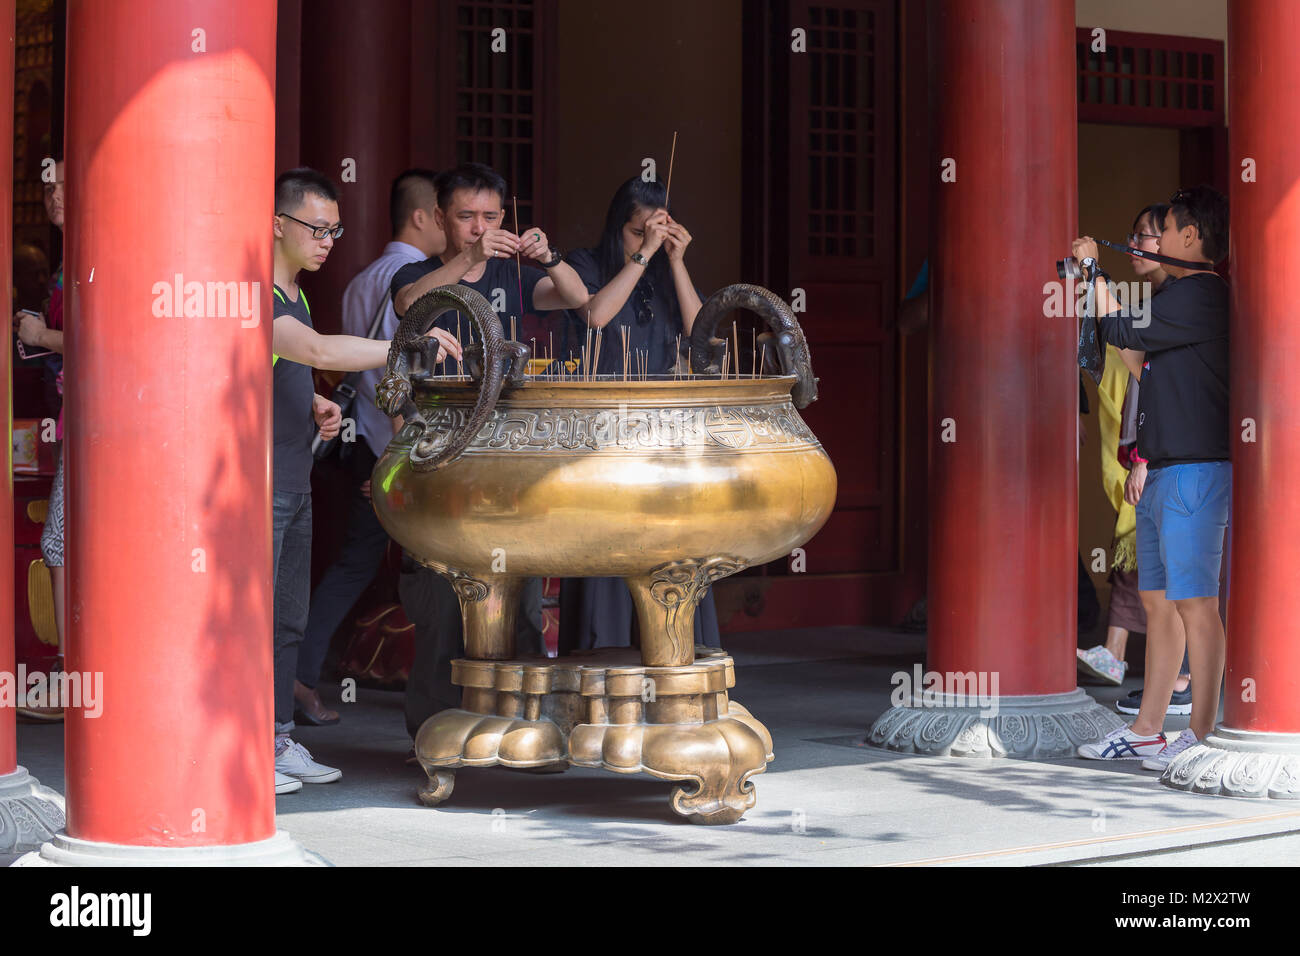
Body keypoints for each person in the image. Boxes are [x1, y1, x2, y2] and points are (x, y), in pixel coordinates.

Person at [270, 168, 461, 793]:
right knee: (255, 619)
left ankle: (275, 740)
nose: (328, 240)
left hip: (294, 479)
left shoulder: (296, 295)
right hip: (258, 485)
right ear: (276, 224)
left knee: (287, 621)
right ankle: (246, 747)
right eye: (317, 228)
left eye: (335, 229)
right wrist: (406, 344)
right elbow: (320, 352)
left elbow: (294, 368)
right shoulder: (253, 295)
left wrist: (315, 408)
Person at [1074, 186, 1229, 770]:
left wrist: (1092, 269)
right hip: (1163, 469)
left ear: (1190, 237)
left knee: (1196, 604)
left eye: (1159, 231)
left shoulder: (1202, 293)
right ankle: (1147, 730)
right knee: (1160, 602)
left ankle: (1202, 732)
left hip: (1195, 471)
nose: (1151, 242)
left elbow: (1123, 332)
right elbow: (1133, 347)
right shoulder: (1180, 301)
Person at [554, 175, 721, 653]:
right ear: (618, 228)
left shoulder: (669, 273)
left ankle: (674, 661)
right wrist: (642, 254)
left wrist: (676, 260)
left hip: (664, 438)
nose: (648, 241)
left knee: (669, 556)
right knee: (608, 553)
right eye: (637, 231)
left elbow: (702, 336)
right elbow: (595, 315)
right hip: (602, 437)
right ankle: (601, 663)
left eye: (658, 231)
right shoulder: (587, 264)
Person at [13, 160, 66, 721]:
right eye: (46, 185)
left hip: (101, 425)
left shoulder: (94, 255)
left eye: (60, 186)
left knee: (59, 544)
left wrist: (39, 334)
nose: (51, 195)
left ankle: (69, 675)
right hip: (74, 417)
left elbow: (108, 335)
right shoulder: (69, 259)